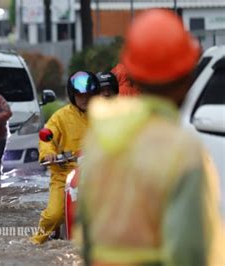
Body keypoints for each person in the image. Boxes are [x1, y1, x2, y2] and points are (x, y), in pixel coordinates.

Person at [76, 10, 223, 266]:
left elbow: (86, 234)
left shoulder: (101, 138)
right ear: (187, 76)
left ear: (131, 71)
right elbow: (188, 250)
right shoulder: (183, 148)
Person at [30, 71, 100, 245]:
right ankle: (35, 241)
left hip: (98, 174)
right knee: (54, 214)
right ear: (72, 95)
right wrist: (48, 152)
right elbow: (47, 137)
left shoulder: (105, 115)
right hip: (65, 176)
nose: (84, 99)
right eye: (79, 95)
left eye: (88, 95)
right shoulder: (60, 117)